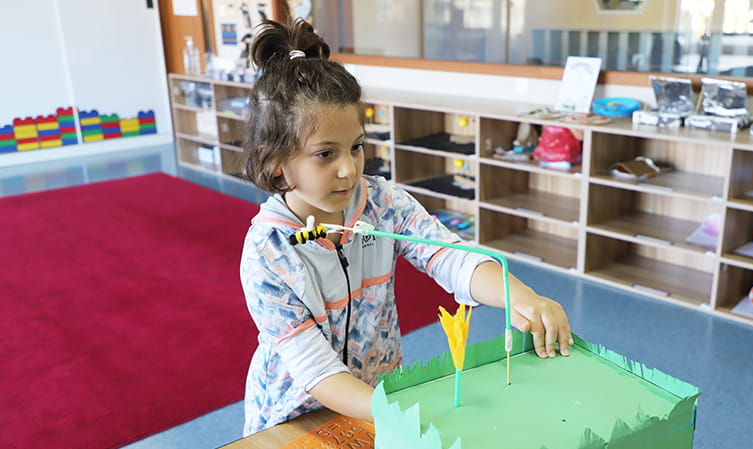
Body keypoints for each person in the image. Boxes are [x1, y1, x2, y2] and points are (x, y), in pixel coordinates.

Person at [238, 17, 574, 436]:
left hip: (381, 399)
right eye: (325, 154)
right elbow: (316, 371)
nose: (349, 169)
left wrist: (519, 295)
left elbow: (447, 255)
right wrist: (397, 408)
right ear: (275, 160)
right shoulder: (267, 251)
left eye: (357, 147)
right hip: (296, 419)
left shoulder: (382, 202)